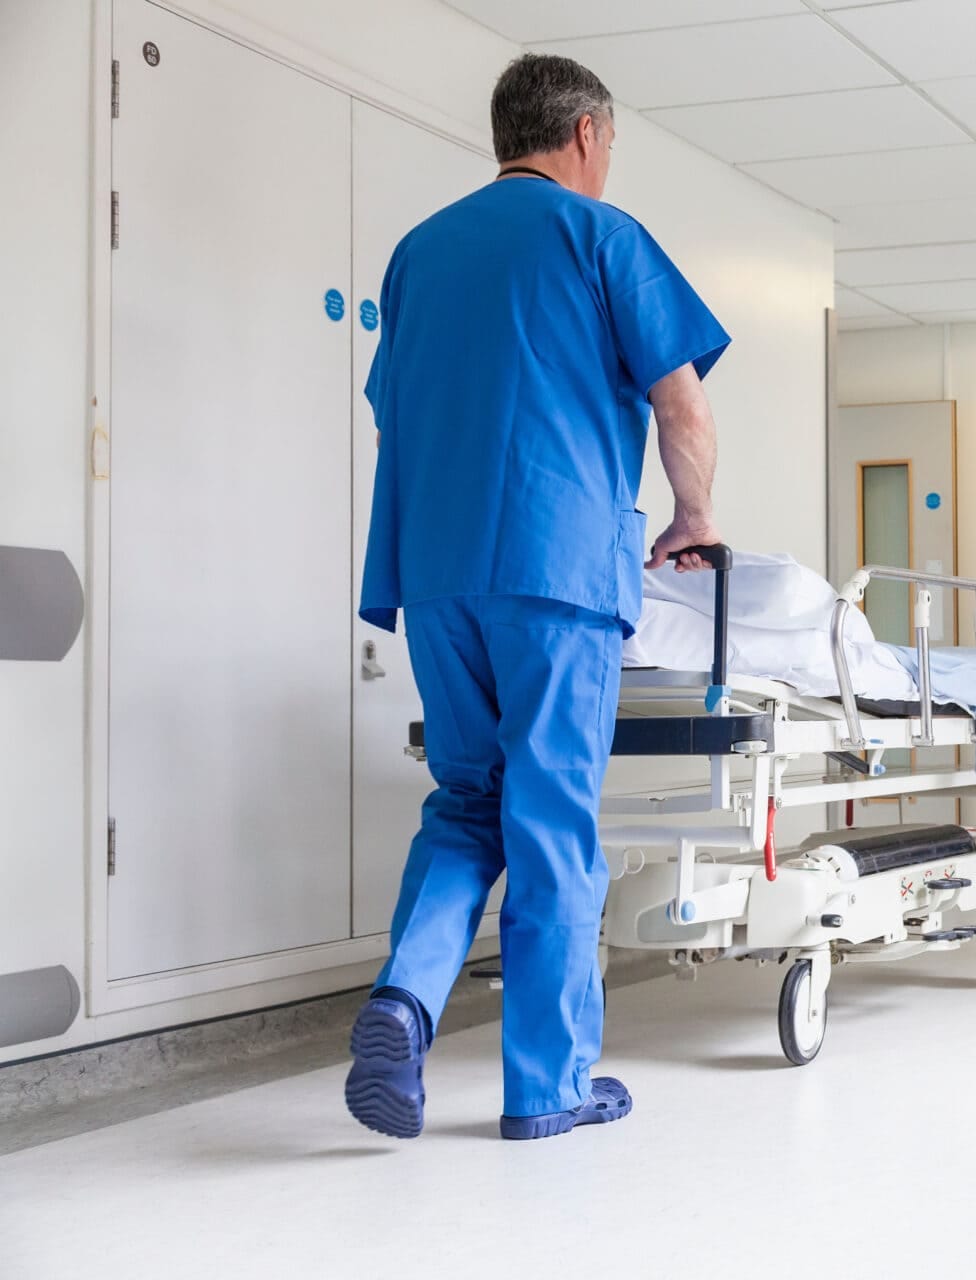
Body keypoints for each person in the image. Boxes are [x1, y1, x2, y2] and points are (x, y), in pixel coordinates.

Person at [346, 54, 731, 1142]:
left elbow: (395, 418)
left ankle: (405, 997)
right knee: (552, 817)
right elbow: (682, 407)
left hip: (435, 570)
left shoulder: (419, 253)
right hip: (556, 574)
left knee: (467, 801)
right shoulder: (604, 237)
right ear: (590, 132)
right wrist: (694, 516)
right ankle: (546, 1085)